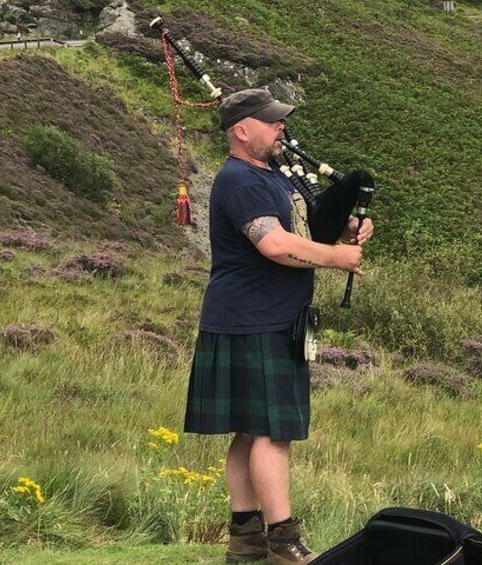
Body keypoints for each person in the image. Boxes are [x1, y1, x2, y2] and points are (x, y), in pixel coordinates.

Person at [184, 88, 374, 565]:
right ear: (241, 131)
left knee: (249, 432)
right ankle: (284, 543)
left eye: (280, 121)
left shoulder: (268, 174)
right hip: (254, 320)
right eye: (271, 122)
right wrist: (337, 258)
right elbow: (274, 244)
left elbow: (299, 226)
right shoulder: (240, 180)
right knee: (272, 432)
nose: (281, 128)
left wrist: (346, 229)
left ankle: (244, 540)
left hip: (262, 317)